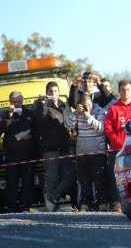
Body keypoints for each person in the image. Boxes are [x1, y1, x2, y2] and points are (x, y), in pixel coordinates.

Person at [32, 82, 74, 211]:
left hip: (65, 147)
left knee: (69, 177)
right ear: (47, 93)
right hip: (50, 149)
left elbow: (69, 121)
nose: (53, 93)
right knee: (52, 179)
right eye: (50, 91)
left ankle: (53, 197)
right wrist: (42, 104)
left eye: (55, 91)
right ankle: (51, 208)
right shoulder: (43, 105)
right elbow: (40, 119)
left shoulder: (63, 105)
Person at [104, 80, 131, 212]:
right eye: (123, 90)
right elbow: (108, 129)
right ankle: (117, 203)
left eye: (128, 89)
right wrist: (119, 143)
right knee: (117, 177)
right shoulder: (113, 108)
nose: (126, 92)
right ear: (119, 91)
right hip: (118, 150)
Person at [65, 94, 106, 211]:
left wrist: (88, 116)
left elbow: (101, 129)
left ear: (91, 103)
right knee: (84, 180)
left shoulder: (99, 111)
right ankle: (86, 203)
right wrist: (74, 114)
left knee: (99, 179)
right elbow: (67, 124)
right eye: (83, 106)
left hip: (97, 151)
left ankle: (102, 202)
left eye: (88, 105)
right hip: (82, 153)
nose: (86, 108)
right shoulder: (77, 113)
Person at [0, 91, 36, 212]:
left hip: (27, 154)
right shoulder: (5, 114)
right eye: (14, 102)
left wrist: (29, 136)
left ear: (23, 100)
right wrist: (8, 119)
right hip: (11, 155)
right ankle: (12, 208)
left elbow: (36, 130)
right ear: (10, 102)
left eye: (19, 101)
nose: (17, 104)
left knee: (28, 182)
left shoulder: (29, 113)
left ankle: (25, 207)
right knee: (12, 183)